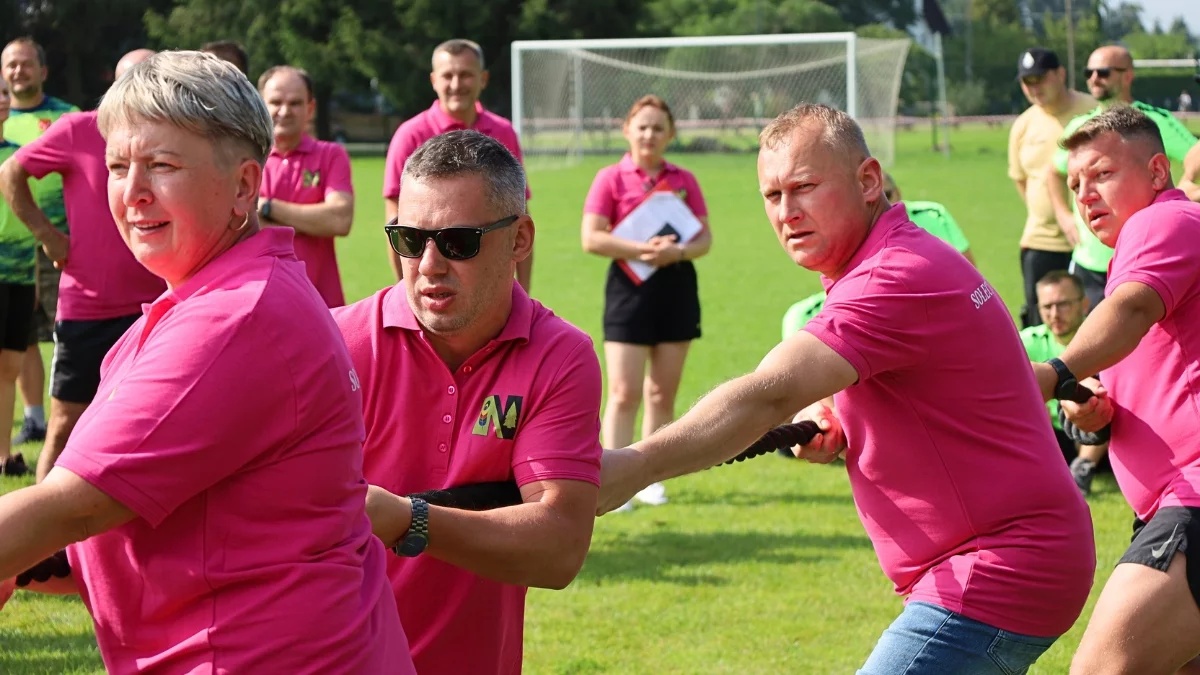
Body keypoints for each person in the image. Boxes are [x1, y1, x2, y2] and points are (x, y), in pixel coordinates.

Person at [598, 103, 1095, 674]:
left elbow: (767, 395)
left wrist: (634, 465)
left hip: (998, 567)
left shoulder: (893, 275)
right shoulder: (891, 257)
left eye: (804, 187)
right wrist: (835, 413)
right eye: (772, 195)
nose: (786, 212)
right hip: (1001, 559)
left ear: (868, 181)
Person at [0, 50, 413, 674]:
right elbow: (180, 523)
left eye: (162, 166)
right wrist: (33, 557)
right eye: (117, 166)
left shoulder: (235, 317)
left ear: (245, 186)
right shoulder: (216, 296)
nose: (132, 193)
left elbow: (77, 505)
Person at [336, 129, 601, 675]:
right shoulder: (334, 343)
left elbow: (558, 548)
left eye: (458, 242)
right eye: (410, 239)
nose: (429, 264)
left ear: (520, 239)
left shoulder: (559, 355)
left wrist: (408, 520)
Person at [1029, 105, 1200, 675]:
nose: (1085, 194)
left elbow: (1129, 310)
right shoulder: (1143, 256)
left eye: (1102, 174)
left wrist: (1053, 372)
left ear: (1157, 172)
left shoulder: (1163, 221)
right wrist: (1096, 412)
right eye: (1075, 183)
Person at [0, 49, 166, 483]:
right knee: (65, 425)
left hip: (163, 305)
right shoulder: (78, 128)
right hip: (90, 308)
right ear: (115, 85)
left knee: (155, 425)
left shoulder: (178, 134)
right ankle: (45, 523)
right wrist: (48, 236)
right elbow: (11, 172)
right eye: (133, 79)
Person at [581, 95, 712, 509]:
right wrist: (641, 249)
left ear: (671, 134)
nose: (649, 135)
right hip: (628, 290)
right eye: (642, 127)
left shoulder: (684, 180)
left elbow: (704, 239)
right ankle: (612, 482)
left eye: (658, 128)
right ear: (627, 130)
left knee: (661, 393)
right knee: (623, 392)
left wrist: (677, 253)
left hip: (676, 287)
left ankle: (651, 479)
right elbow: (591, 238)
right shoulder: (610, 178)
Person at [1046, 44, 1198, 309]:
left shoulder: (1151, 122)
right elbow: (1053, 171)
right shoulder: (1080, 126)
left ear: (1128, 75)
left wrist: (1184, 190)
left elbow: (1195, 154)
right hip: (1088, 262)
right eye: (1089, 72)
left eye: (1103, 72)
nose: (1094, 78)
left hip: (1145, 260)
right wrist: (1063, 215)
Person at [383, 39, 532, 291]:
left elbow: (519, 215)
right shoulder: (410, 135)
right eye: (447, 76)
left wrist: (523, 292)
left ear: (483, 79)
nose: (456, 84)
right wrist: (407, 292)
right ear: (434, 80)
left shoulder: (503, 132)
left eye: (465, 75)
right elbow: (397, 222)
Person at [781, 171, 973, 340]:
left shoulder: (933, 216)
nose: (882, 203)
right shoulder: (803, 316)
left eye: (887, 195)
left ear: (898, 193)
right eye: (773, 195)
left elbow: (969, 279)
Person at [0, 37, 79, 446]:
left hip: (62, 240)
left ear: (43, 71)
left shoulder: (68, 117)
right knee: (22, 338)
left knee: (68, 329)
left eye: (26, 63)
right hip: (12, 252)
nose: (18, 71)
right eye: (11, 64)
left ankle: (75, 415)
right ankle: (33, 419)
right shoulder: (3, 118)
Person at [1009, 47, 1097, 328]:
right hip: (1041, 242)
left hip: (1092, 244)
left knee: (1095, 325)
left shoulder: (1093, 111)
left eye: (1040, 79)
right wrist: (1045, 212)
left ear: (1060, 74)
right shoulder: (1023, 125)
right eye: (1027, 82)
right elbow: (1021, 179)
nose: (1034, 88)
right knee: (1042, 324)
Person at [257, 65, 354, 308]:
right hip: (260, 300)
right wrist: (311, 222)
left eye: (295, 103)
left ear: (311, 108)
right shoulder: (245, 158)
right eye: (276, 102)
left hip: (320, 302)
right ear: (259, 105)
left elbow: (339, 220)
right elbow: (239, 225)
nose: (284, 111)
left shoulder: (331, 155)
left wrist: (267, 208)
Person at [1018, 270, 1108, 494]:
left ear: (1084, 304)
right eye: (1047, 307)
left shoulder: (1105, 338)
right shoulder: (1026, 343)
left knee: (1101, 401)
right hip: (1050, 434)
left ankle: (1082, 470)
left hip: (1099, 432)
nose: (1055, 314)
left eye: (1063, 304)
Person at [0, 79, 34, 476]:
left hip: (22, 272)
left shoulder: (20, 157)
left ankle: (4, 455)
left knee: (10, 366)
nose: (1, 100)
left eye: (4, 93)